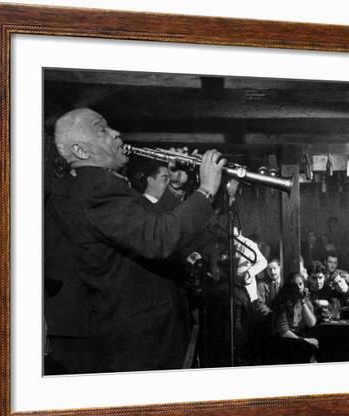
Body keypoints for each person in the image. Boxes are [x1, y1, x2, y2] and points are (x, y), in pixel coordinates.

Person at [52, 107, 225, 373]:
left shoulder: (106, 185)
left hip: (149, 334)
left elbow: (153, 221)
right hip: (142, 343)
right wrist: (206, 190)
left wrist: (177, 185)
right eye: (102, 129)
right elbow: (159, 237)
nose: (116, 133)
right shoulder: (96, 190)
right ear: (81, 151)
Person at [272, 273, 319, 363]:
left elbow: (312, 323)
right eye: (295, 285)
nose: (299, 287)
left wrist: (303, 302)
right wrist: (305, 340)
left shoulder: (304, 299)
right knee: (306, 347)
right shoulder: (283, 302)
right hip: (285, 339)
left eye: (300, 284)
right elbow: (284, 331)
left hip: (299, 336)